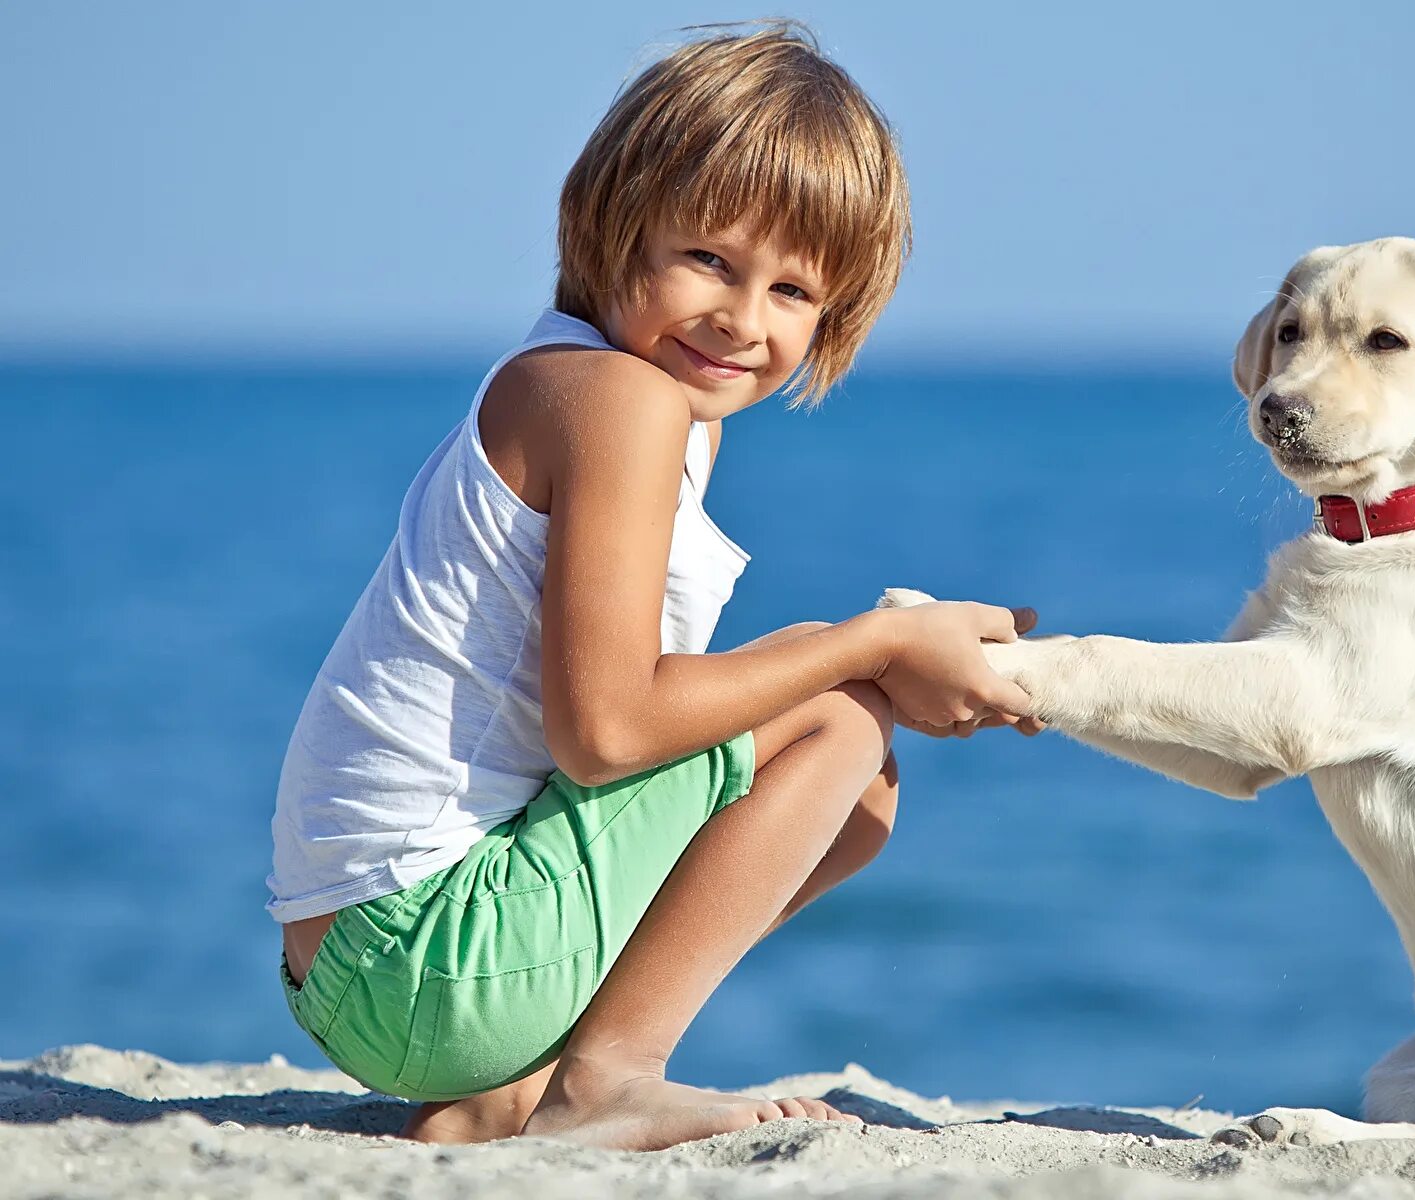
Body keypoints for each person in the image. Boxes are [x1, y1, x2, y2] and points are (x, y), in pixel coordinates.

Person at [265, 22, 1035, 1152]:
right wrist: (873, 644)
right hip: (420, 949)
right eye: (710, 262)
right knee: (838, 713)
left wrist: (883, 647)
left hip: (359, 962)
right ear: (615, 221)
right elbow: (611, 731)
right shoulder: (622, 404)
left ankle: (514, 1088)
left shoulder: (614, 394)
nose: (744, 320)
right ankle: (609, 1077)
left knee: (857, 806)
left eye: (793, 292)